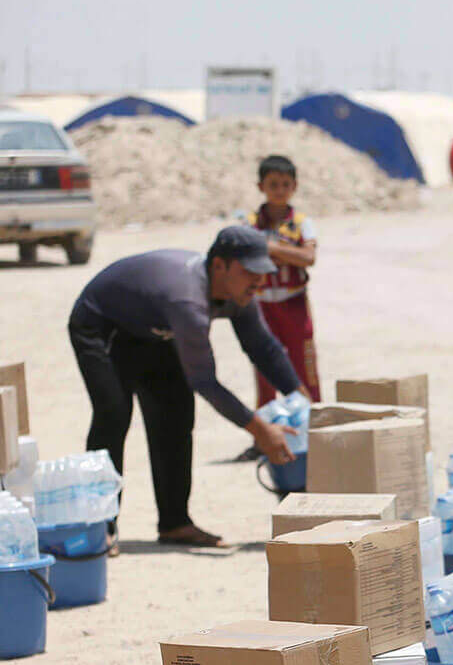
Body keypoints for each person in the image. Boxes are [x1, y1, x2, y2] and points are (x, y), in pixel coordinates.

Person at [67, 227, 300, 549]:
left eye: (263, 273)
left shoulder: (240, 292)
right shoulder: (187, 298)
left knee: (175, 414)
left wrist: (305, 404)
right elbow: (204, 380)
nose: (258, 281)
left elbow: (263, 348)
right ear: (220, 266)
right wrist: (260, 430)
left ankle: (175, 523)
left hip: (155, 330)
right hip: (102, 325)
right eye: (250, 272)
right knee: (113, 414)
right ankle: (99, 527)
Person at [247, 154, 321, 406]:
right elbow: (245, 255)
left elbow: (309, 257)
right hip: (261, 305)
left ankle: (315, 428)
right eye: (273, 185)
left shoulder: (302, 223)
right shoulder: (249, 224)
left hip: (294, 303)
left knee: (304, 366)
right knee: (265, 369)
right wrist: (287, 252)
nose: (279, 191)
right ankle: (267, 435)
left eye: (285, 185)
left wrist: (271, 249)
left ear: (294, 187)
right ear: (261, 187)